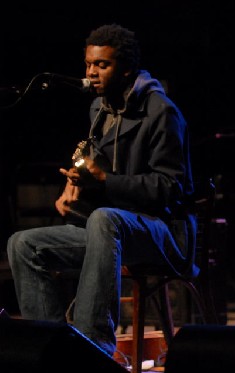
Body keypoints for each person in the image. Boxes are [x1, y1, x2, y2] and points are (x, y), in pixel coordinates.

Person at [7, 24, 195, 356]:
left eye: (102, 65)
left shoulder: (160, 112)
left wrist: (104, 182)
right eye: (89, 65)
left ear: (126, 69)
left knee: (105, 220)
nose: (92, 73)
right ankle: (51, 352)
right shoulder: (99, 110)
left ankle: (92, 351)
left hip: (163, 233)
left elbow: (170, 190)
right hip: (113, 229)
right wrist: (77, 191)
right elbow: (104, 177)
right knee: (23, 244)